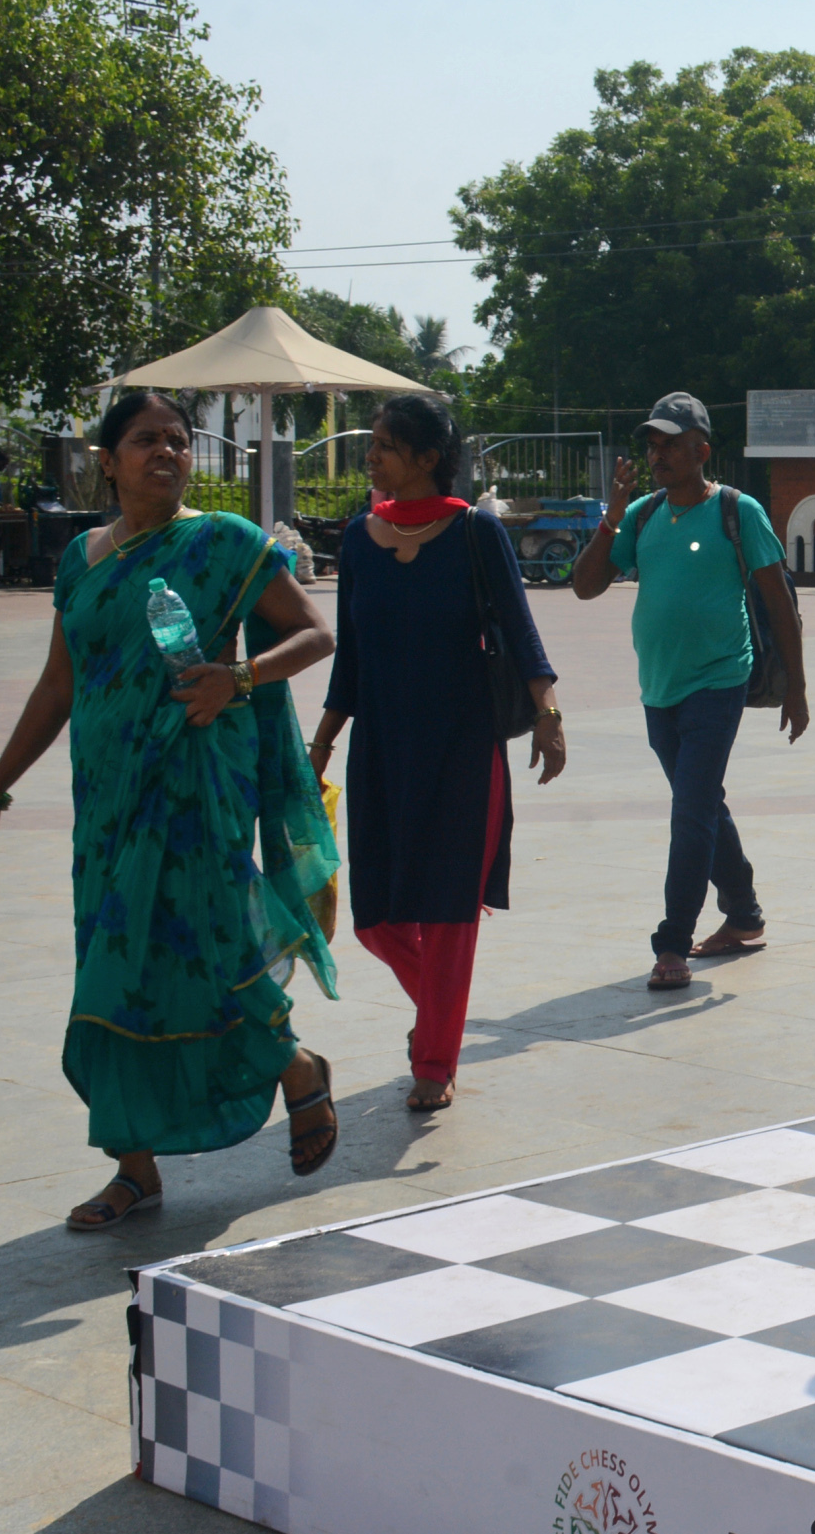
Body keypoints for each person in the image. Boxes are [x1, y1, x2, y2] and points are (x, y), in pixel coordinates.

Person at [0, 391, 344, 1231]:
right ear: (108, 459)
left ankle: (293, 1065)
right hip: (105, 800)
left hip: (194, 788)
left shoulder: (223, 543)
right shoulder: (81, 560)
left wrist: (236, 678)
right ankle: (135, 1168)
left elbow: (315, 634)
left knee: (205, 944)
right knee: (114, 965)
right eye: (145, 440)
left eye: (178, 439)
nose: (166, 451)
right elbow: (59, 684)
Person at [311, 393, 567, 1112]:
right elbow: (350, 659)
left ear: (427, 458)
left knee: (450, 910)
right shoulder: (359, 541)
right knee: (378, 916)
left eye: (386, 446)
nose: (372, 457)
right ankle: (440, 1014)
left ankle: (435, 1058)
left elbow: (521, 632)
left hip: (463, 747)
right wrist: (323, 742)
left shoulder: (476, 532)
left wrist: (547, 716)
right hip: (382, 750)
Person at [572, 393, 807, 990]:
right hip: (659, 688)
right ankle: (745, 914)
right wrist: (612, 514)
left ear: (702, 450)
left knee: (690, 810)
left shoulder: (737, 510)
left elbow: (778, 600)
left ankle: (672, 942)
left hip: (719, 681)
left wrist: (797, 688)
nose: (658, 455)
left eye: (671, 444)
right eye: (653, 444)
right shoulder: (644, 514)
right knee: (702, 804)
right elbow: (586, 586)